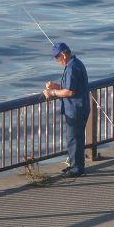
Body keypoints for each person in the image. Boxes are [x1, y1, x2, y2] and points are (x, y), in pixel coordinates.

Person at [43, 42, 90, 177]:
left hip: (75, 109)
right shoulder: (75, 63)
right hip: (79, 107)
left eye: (57, 57)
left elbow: (69, 92)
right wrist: (55, 86)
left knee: (73, 140)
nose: (56, 61)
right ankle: (76, 165)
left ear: (63, 54)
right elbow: (70, 86)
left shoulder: (71, 68)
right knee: (76, 139)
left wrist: (52, 93)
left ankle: (76, 169)